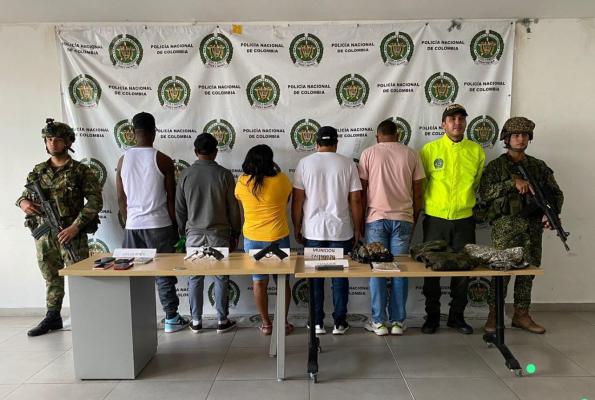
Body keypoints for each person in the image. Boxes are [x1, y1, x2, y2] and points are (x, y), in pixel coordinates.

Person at [17, 119, 103, 336]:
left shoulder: (81, 171)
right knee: (50, 276)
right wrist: (23, 203)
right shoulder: (38, 171)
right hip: (45, 234)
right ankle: (53, 316)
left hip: (71, 234)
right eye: (48, 139)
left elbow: (95, 202)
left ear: (68, 142)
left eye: (57, 140)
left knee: (81, 277)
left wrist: (75, 227)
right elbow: (24, 195)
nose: (52, 143)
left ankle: (87, 317)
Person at [480, 117, 564, 334]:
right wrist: (512, 183)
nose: (520, 139)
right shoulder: (497, 166)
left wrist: (550, 214)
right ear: (507, 139)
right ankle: (494, 314)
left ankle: (521, 314)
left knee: (528, 272)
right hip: (506, 227)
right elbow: (485, 193)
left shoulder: (538, 166)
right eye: (516, 135)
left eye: (525, 135)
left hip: (532, 227)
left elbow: (556, 194)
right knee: (501, 272)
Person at [116, 112, 189, 333]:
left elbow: (120, 199)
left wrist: (129, 221)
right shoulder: (163, 160)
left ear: (133, 132)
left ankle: (133, 321)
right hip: (160, 224)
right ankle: (171, 318)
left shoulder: (122, 160)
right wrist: (176, 228)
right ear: (154, 131)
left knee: (131, 275)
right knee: (164, 273)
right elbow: (171, 198)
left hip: (133, 226)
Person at [419, 104, 486, 335]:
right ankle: (432, 317)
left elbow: (476, 183)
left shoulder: (476, 151)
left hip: (464, 220)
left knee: (463, 270)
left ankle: (457, 317)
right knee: (432, 269)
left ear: (465, 123)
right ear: (443, 124)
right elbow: (423, 183)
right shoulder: (430, 150)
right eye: (452, 119)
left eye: (461, 118)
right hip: (435, 219)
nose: (457, 122)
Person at [292, 126, 362, 335]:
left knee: (315, 278)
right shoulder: (348, 164)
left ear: (316, 144)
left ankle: (316, 323)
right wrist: (358, 228)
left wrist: (297, 226)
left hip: (313, 231)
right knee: (339, 278)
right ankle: (339, 322)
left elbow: (297, 200)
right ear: (336, 144)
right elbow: (356, 200)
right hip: (340, 231)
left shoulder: (304, 163)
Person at [358, 119, 425, 336]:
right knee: (400, 271)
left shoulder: (368, 153)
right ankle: (397, 322)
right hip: (403, 218)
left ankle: (378, 322)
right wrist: (413, 216)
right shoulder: (411, 154)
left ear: (377, 137)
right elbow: (418, 192)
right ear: (398, 135)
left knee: (377, 270)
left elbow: (361, 192)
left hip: (376, 219)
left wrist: (361, 222)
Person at [175, 133, 240, 334]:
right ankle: (222, 320)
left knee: (195, 278)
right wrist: (235, 232)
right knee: (220, 278)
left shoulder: (185, 174)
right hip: (219, 235)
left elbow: (180, 209)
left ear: (195, 151)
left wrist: (182, 233)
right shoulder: (225, 175)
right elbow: (233, 208)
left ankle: (196, 321)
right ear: (216, 152)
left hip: (193, 235)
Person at [235, 144, 293, 335]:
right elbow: (286, 200)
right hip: (278, 238)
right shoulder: (282, 180)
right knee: (282, 282)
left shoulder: (242, 182)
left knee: (259, 281)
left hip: (252, 239)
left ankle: (266, 324)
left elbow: (240, 201)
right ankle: (283, 323)